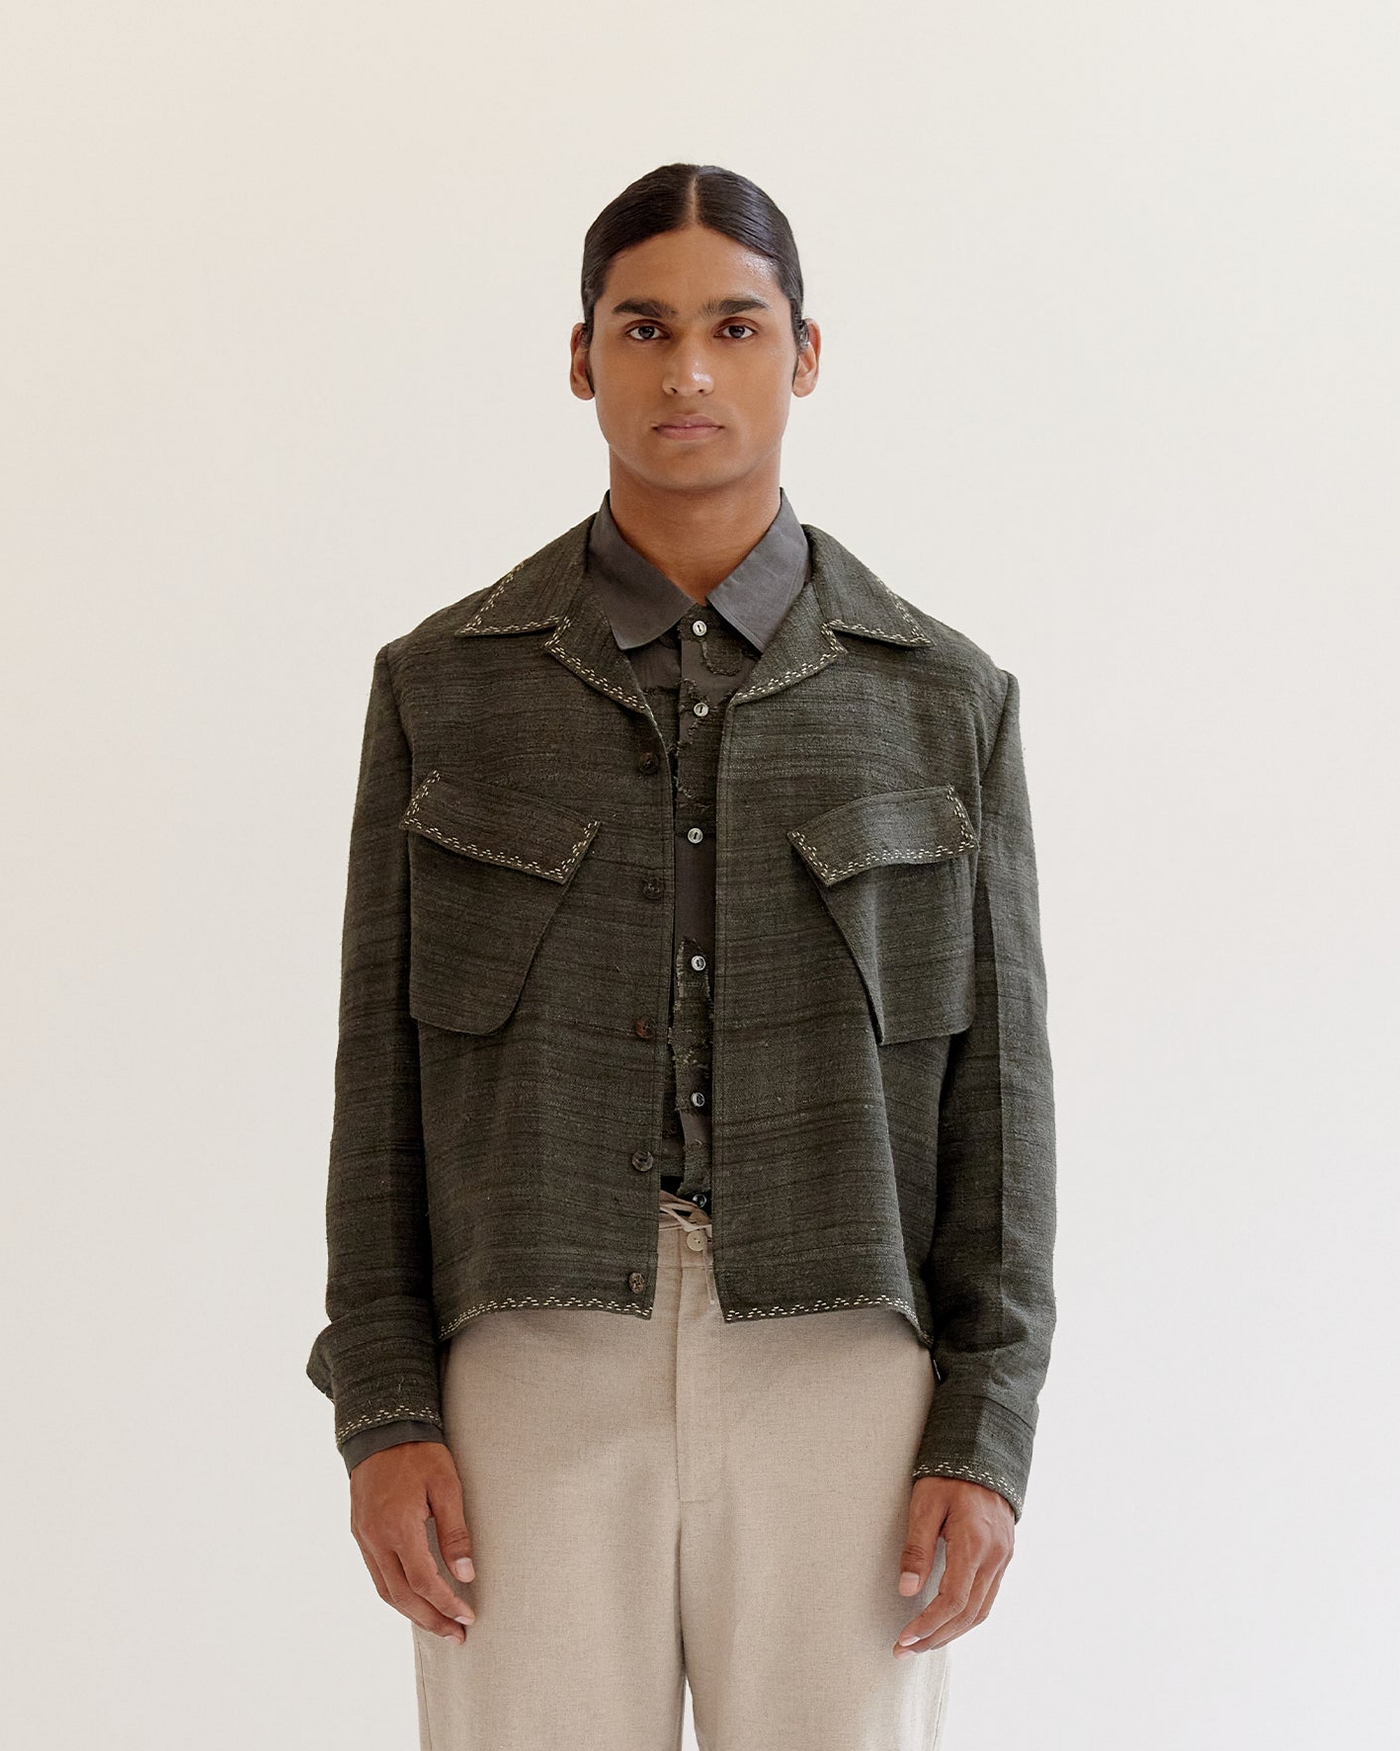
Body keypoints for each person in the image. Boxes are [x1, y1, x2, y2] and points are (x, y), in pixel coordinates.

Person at [307, 160, 1058, 1751]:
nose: (690, 371)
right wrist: (384, 1406)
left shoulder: (942, 700)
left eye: (736, 325)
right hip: (526, 1365)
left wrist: (984, 1430)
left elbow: (1001, 1103)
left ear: (805, 354)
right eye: (644, 328)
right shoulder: (448, 686)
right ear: (583, 358)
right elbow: (380, 1088)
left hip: (847, 1371)